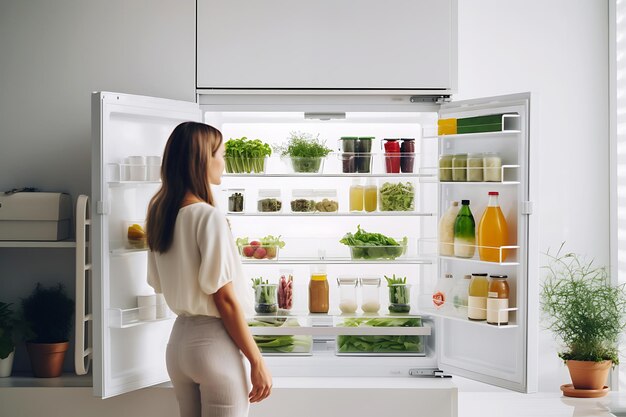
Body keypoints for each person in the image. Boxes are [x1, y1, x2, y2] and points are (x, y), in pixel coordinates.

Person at [146, 121, 272, 417]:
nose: (223, 161)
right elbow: (224, 300)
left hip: (178, 346)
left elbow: (158, 283)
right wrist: (257, 361)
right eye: (221, 154)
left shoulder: (159, 213)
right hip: (214, 345)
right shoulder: (207, 216)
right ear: (202, 159)